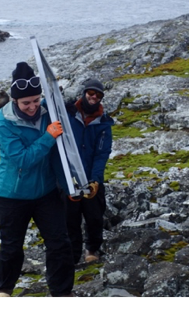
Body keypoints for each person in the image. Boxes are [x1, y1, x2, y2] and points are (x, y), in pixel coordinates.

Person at [0, 62, 74, 297]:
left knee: (59, 243)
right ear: (14, 101)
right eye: (26, 103)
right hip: (12, 195)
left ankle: (62, 293)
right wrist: (48, 137)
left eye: (36, 101)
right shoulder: (4, 123)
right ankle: (3, 291)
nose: (32, 107)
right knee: (11, 248)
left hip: (46, 192)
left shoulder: (48, 111)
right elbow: (22, 160)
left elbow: (64, 110)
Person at [65, 79, 114, 264]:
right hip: (69, 177)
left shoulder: (104, 123)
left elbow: (102, 153)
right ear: (84, 93)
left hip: (91, 177)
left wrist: (95, 179)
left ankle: (92, 249)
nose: (94, 97)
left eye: (98, 95)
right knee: (70, 217)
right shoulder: (68, 113)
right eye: (91, 93)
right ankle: (73, 253)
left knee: (94, 217)